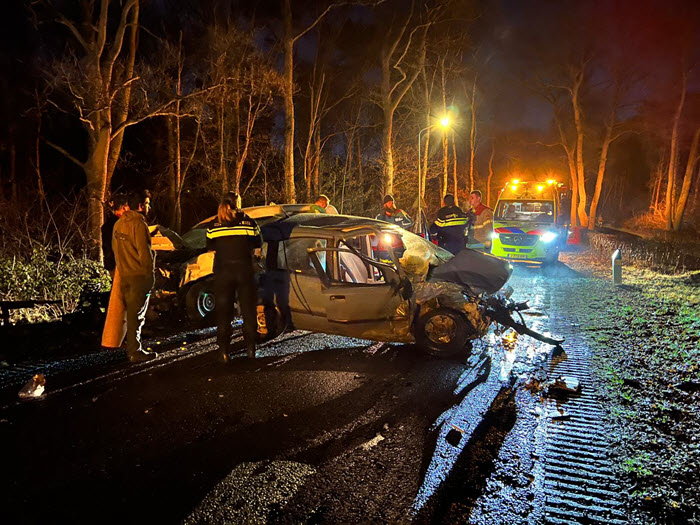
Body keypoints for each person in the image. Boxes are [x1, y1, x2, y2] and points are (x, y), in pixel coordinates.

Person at [206, 192, 262, 363]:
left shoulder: (213, 224)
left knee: (224, 313)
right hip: (244, 271)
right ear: (237, 203)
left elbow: (210, 247)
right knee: (248, 311)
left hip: (223, 272)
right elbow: (258, 243)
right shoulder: (248, 222)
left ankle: (223, 352)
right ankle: (251, 349)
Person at [112, 189, 157, 363]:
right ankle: (135, 351)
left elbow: (116, 250)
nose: (148, 206)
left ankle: (131, 347)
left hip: (125, 276)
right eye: (146, 203)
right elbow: (145, 255)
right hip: (139, 277)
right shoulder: (138, 225)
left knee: (130, 314)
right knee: (137, 316)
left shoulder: (119, 224)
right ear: (139, 205)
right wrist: (150, 277)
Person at [102, 194, 129, 277]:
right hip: (118, 265)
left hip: (112, 264)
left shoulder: (108, 224)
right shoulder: (120, 224)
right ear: (124, 208)